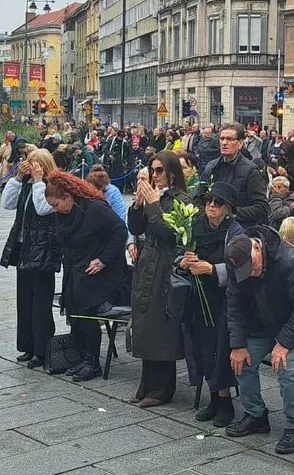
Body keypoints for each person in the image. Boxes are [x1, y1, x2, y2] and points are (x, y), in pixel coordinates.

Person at [224, 232, 294, 454]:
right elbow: (234, 305)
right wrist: (238, 344)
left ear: (257, 248)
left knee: (285, 368)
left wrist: (284, 343)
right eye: (245, 271)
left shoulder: (292, 261)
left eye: (253, 268)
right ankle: (256, 414)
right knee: (241, 361)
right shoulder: (236, 261)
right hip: (267, 322)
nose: (251, 274)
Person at [48, 168, 129, 382]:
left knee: (86, 310)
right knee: (74, 310)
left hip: (101, 270)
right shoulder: (63, 214)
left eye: (56, 205)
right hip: (77, 267)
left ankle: (93, 362)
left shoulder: (95, 208)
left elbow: (120, 231)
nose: (55, 210)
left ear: (68, 197)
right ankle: (82, 356)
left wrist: (103, 260)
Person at [127, 151, 191, 407]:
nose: (154, 175)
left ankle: (162, 388)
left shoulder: (182, 199)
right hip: (147, 262)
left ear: (172, 173)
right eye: (152, 170)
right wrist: (138, 205)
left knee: (160, 326)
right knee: (144, 321)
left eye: (159, 170)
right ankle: (146, 383)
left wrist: (153, 205)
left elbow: (171, 234)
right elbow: (136, 228)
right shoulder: (154, 195)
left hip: (166, 264)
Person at [182, 181, 244, 426]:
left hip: (224, 299)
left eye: (218, 203)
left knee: (221, 347)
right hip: (199, 297)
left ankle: (225, 401)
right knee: (203, 347)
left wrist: (212, 269)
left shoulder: (235, 232)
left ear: (227, 208)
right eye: (208, 201)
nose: (211, 206)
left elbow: (241, 268)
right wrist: (184, 262)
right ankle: (213, 398)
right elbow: (179, 253)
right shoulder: (196, 225)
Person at [0, 149, 61, 369]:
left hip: (44, 248)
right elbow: (7, 203)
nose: (31, 167)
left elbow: (43, 209)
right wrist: (18, 177)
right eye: (29, 163)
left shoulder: (52, 185)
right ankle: (27, 344)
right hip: (24, 247)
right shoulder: (26, 184)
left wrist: (38, 181)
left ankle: (42, 349)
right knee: (24, 301)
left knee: (41, 304)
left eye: (35, 163)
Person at [202, 122, 269, 226]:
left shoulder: (250, 171)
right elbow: (199, 197)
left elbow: (262, 207)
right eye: (222, 139)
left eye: (229, 139)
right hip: (212, 227)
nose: (224, 143)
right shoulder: (211, 167)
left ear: (240, 143)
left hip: (239, 228)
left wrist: (231, 213)